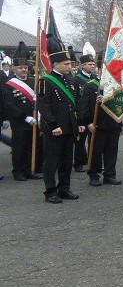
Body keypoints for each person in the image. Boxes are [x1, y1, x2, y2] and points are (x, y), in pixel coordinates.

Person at [38, 36, 85, 203]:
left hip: (69, 128)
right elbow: (43, 106)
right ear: (56, 64)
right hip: (55, 129)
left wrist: (78, 123)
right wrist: (53, 125)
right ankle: (50, 191)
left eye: (70, 64)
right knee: (51, 162)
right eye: (66, 64)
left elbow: (75, 104)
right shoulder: (46, 81)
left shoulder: (71, 80)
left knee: (66, 161)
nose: (69, 67)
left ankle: (64, 188)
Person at [80, 52, 123, 187]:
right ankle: (94, 175)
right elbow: (84, 107)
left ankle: (110, 174)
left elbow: (119, 106)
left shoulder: (115, 85)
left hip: (113, 123)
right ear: (100, 70)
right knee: (96, 151)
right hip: (97, 124)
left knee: (112, 150)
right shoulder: (91, 85)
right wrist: (87, 123)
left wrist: (120, 123)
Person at [3, 42, 42, 181]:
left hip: (34, 119)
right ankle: (18, 171)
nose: (23, 69)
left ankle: (29, 169)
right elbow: (9, 104)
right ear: (14, 69)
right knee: (19, 147)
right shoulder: (9, 84)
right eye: (20, 67)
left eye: (25, 67)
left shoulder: (33, 82)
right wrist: (25, 117)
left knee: (32, 145)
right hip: (20, 121)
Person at [72, 42, 99, 172]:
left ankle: (90, 160)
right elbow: (75, 97)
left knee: (93, 139)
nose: (92, 66)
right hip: (81, 114)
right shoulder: (76, 79)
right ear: (83, 66)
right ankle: (78, 162)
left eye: (93, 64)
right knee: (80, 140)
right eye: (90, 64)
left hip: (93, 112)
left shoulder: (95, 78)